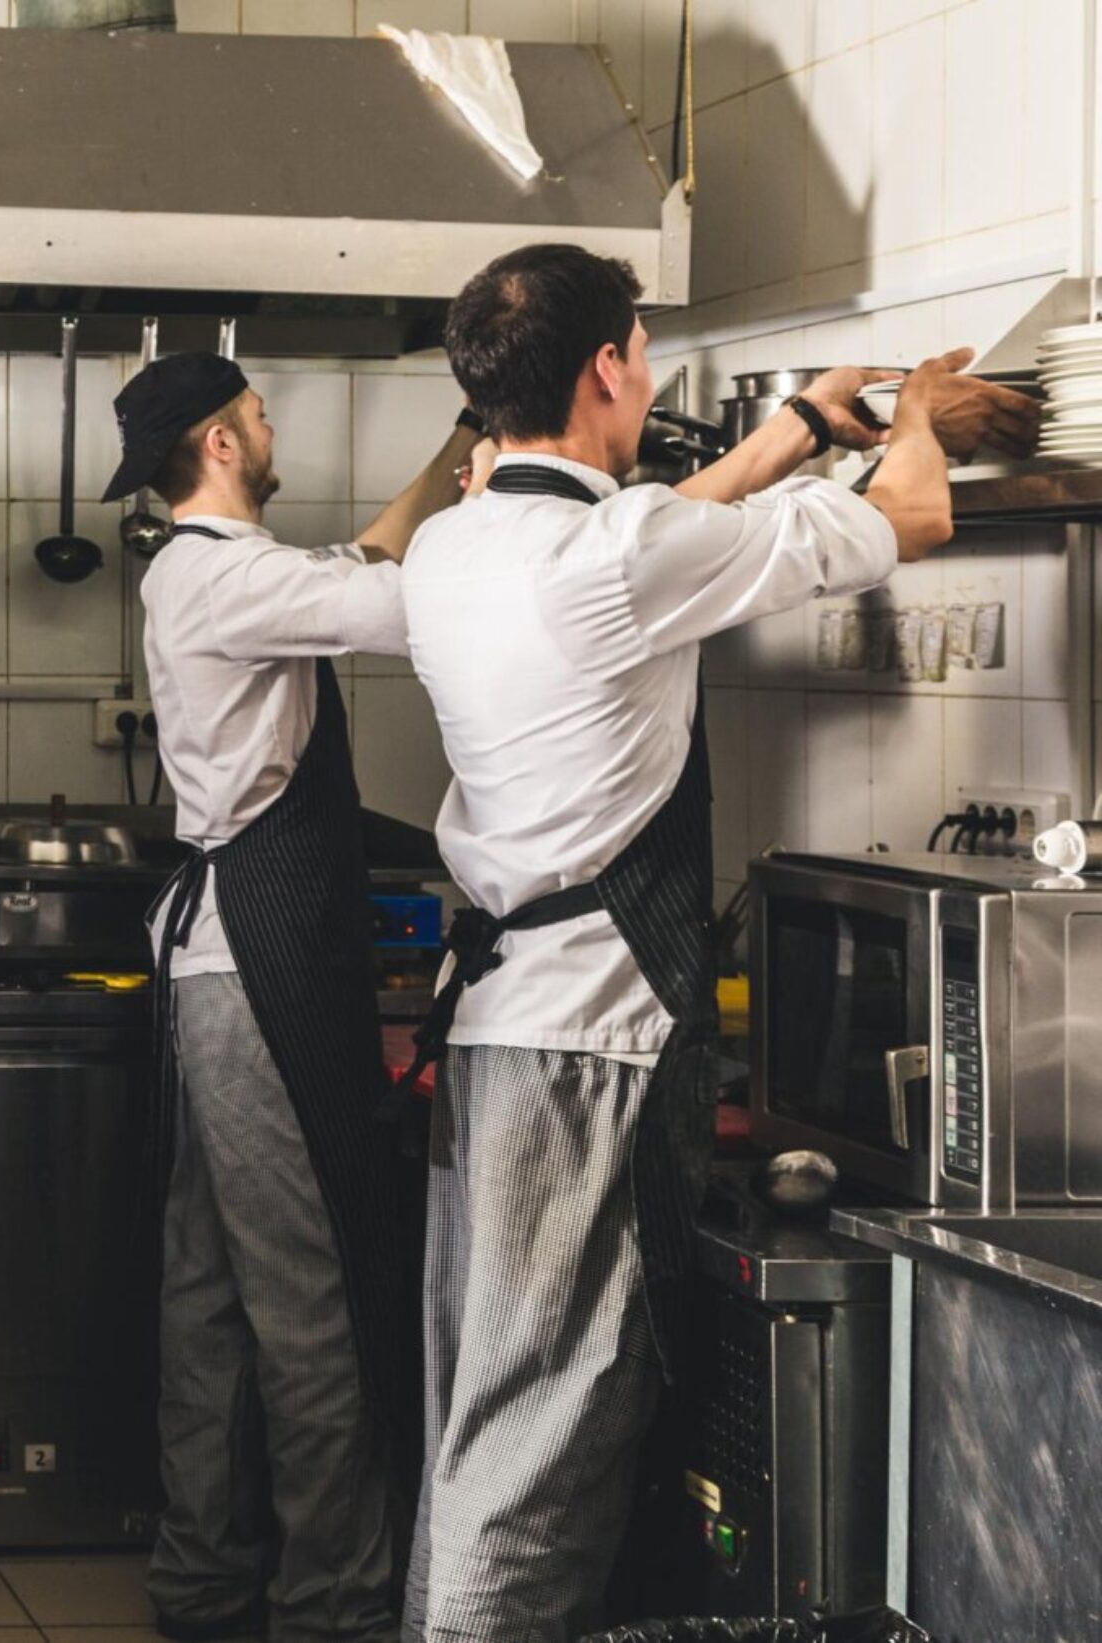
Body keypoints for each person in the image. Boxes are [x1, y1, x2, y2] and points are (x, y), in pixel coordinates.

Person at [393, 243, 1038, 1643]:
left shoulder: (464, 546)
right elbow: (912, 516)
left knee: (483, 1415)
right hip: (594, 1043)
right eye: (640, 344)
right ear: (611, 367)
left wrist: (795, 430)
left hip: (502, 1034)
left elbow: (641, 543)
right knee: (546, 1437)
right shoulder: (622, 552)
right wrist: (918, 410)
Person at [112, 352, 479, 1643]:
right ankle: (335, 1605)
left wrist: (455, 457)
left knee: (210, 1296)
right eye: (262, 415)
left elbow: (364, 566)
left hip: (223, 967)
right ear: (221, 439)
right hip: (255, 973)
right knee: (309, 1298)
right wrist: (520, 511)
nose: (276, 430)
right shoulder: (226, 574)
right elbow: (400, 606)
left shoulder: (214, 568)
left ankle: (205, 1585)